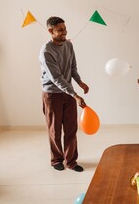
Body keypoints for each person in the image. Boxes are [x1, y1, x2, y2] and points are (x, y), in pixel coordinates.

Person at [39, 16, 89, 172]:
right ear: (50, 31)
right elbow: (56, 78)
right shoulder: (46, 51)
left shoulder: (68, 45)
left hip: (68, 93)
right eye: (60, 30)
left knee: (71, 128)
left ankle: (72, 161)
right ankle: (56, 160)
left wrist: (80, 82)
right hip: (52, 94)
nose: (64, 32)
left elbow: (73, 67)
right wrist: (75, 95)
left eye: (65, 29)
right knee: (55, 130)